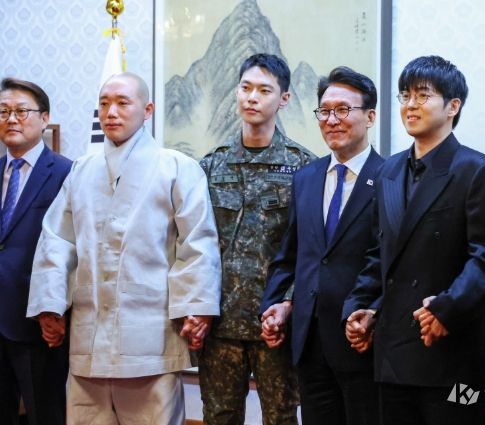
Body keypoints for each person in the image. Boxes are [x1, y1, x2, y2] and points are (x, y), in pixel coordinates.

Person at [26, 72, 222, 424]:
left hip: (151, 336)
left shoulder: (177, 168)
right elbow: (57, 241)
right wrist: (50, 306)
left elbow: (197, 242)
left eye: (122, 103)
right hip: (88, 337)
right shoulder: (82, 171)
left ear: (147, 110)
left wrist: (197, 309)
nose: (111, 112)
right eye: (104, 104)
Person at [342, 55, 485, 425]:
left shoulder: (477, 170)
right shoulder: (388, 171)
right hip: (392, 353)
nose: (410, 105)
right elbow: (379, 254)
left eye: (422, 95)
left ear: (453, 106)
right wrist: (360, 307)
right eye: (405, 96)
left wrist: (446, 308)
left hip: (452, 350)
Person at [260, 66, 384, 425]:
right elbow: (291, 255)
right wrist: (276, 304)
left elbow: (394, 263)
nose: (331, 120)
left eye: (343, 110)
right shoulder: (306, 178)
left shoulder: (391, 177)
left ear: (370, 116)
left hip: (362, 340)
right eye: (325, 111)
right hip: (310, 342)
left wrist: (374, 313)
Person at [199, 53, 315, 425]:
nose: (252, 97)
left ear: (284, 99)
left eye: (264, 90)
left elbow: (311, 249)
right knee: (219, 417)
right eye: (246, 88)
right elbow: (195, 245)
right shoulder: (211, 165)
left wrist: (289, 303)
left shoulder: (303, 167)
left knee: (281, 417)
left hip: (276, 324)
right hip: (221, 324)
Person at [0, 78, 71, 425]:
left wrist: (56, 311)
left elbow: (74, 248)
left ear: (44, 119)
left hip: (38, 324)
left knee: (45, 414)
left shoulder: (66, 173)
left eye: (21, 111)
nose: (11, 119)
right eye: (3, 112)